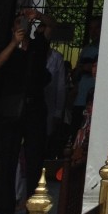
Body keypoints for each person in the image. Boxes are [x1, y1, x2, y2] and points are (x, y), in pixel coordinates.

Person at [0, 8, 50, 214]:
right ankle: (4, 212)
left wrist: (39, 17)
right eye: (18, 24)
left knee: (35, 161)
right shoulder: (8, 50)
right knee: (8, 161)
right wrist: (13, 43)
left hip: (34, 109)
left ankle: (32, 210)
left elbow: (51, 26)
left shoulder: (37, 47)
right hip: (11, 112)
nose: (22, 27)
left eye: (24, 23)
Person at [69, 15, 100, 143]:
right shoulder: (86, 49)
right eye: (91, 28)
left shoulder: (105, 48)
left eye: (96, 28)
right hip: (80, 100)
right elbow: (76, 73)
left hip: (95, 100)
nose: (93, 32)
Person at [41, 16, 67, 157]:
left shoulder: (56, 58)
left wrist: (58, 111)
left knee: (45, 138)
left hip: (49, 105)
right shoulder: (31, 54)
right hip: (32, 105)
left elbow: (60, 87)